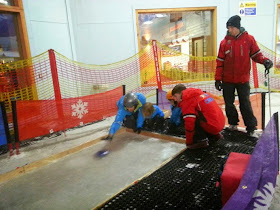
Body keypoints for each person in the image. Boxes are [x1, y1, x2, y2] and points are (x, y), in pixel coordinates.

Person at [215, 15, 273, 137]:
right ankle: (232, 124)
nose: (229, 30)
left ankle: (251, 128)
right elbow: (220, 62)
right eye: (228, 27)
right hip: (227, 80)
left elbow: (256, 55)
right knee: (229, 103)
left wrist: (265, 61)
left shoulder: (249, 39)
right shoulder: (224, 42)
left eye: (231, 27)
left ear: (237, 27)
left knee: (245, 103)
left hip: (243, 79)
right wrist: (218, 79)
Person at [172, 84, 225, 149]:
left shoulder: (187, 100)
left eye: (175, 96)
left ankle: (201, 141)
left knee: (186, 117)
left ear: (180, 93)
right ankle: (214, 135)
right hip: (219, 123)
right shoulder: (201, 94)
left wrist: (189, 142)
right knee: (200, 114)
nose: (175, 99)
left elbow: (189, 123)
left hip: (213, 126)